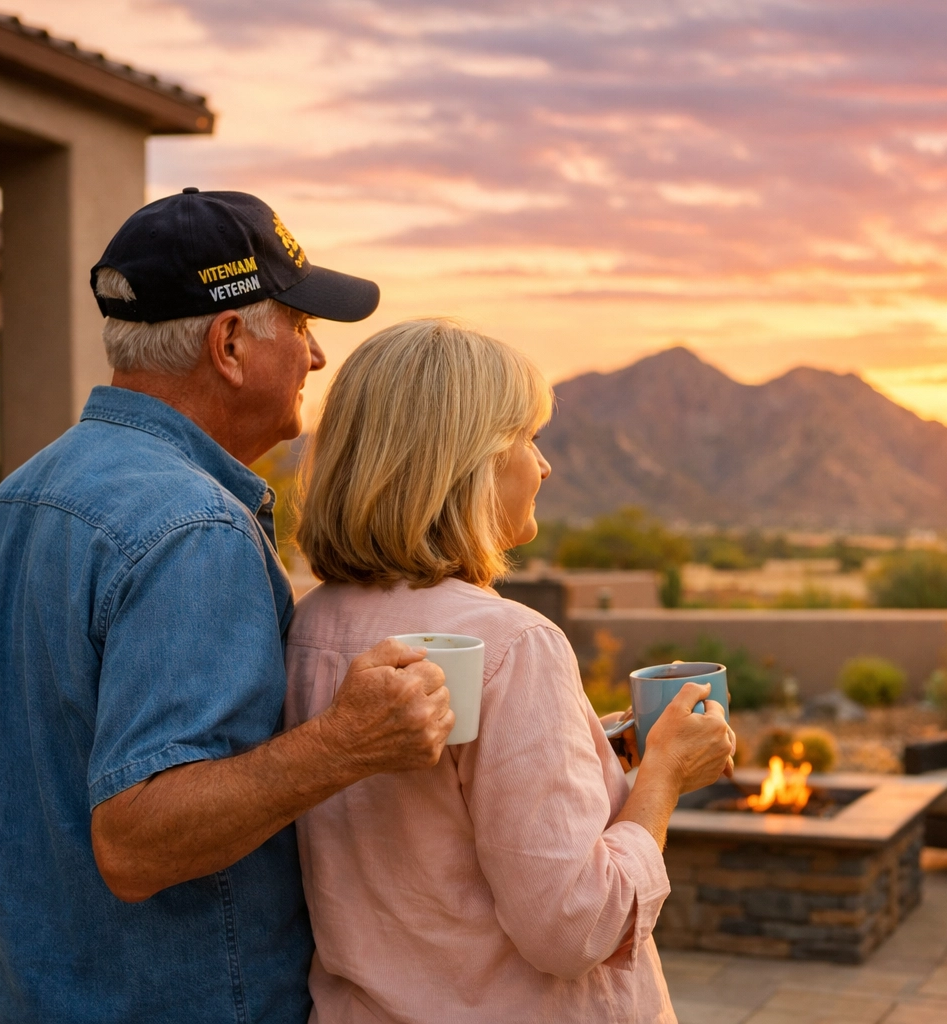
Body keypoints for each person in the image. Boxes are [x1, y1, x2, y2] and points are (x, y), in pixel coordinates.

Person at [0, 190, 455, 1023]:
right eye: (298, 325)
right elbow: (137, 841)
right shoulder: (194, 529)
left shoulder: (12, 503)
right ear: (228, 343)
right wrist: (347, 742)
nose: (317, 357)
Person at [285, 318, 736, 1024]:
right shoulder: (511, 643)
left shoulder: (310, 628)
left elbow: (435, 826)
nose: (544, 466)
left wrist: (601, 754)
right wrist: (663, 780)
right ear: (471, 462)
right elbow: (574, 925)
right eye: (528, 439)